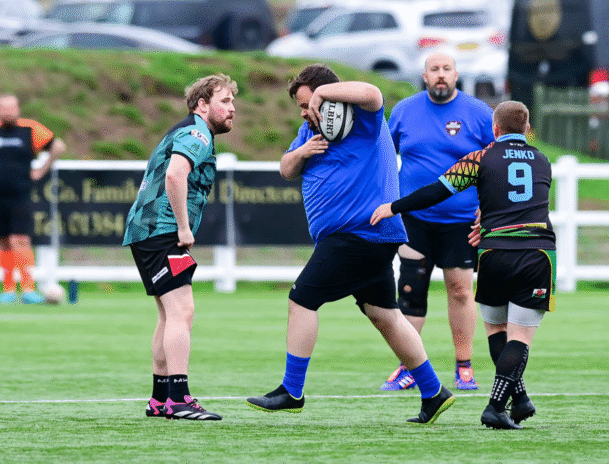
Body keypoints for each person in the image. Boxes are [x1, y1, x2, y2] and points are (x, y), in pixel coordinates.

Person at [245, 64, 455, 424]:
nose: (304, 111)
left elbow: (373, 94)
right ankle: (434, 392)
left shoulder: (362, 119)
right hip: (357, 237)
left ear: (328, 97)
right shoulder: (310, 130)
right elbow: (286, 169)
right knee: (384, 315)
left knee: (301, 300)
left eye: (307, 103)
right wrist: (303, 151)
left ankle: (291, 391)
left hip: (360, 234)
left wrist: (324, 94)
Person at [371, 101, 556, 429]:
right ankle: (496, 406)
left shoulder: (479, 158)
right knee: (520, 337)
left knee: (496, 330)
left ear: (494, 129)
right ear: (527, 130)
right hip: (535, 254)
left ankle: (519, 398)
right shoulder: (542, 161)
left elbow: (436, 191)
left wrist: (395, 206)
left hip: (493, 253)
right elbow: (524, 200)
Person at [122, 74, 238, 421]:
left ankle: (160, 399)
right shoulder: (197, 133)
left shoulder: (190, 130)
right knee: (182, 312)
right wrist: (184, 228)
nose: (232, 108)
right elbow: (175, 175)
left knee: (169, 314)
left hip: (148, 230)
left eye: (233, 101)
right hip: (162, 231)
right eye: (225, 101)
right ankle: (178, 398)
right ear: (202, 105)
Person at [380, 50, 494, 392]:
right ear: (425, 76)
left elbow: (496, 164)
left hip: (461, 221)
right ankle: (409, 368)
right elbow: (384, 157)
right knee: (410, 290)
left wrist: (486, 207)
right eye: (434, 69)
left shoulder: (478, 112)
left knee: (460, 290)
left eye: (447, 68)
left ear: (456, 75)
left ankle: (464, 367)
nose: (440, 74)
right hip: (414, 219)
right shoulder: (404, 110)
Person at [0, 93, 66, 305]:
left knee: (20, 240)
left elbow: (58, 146)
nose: (8, 112)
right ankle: (8, 289)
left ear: (18, 109)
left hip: (20, 195)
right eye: (3, 108)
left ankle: (28, 288)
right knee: (4, 242)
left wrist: (41, 170)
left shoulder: (29, 129)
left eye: (11, 108)